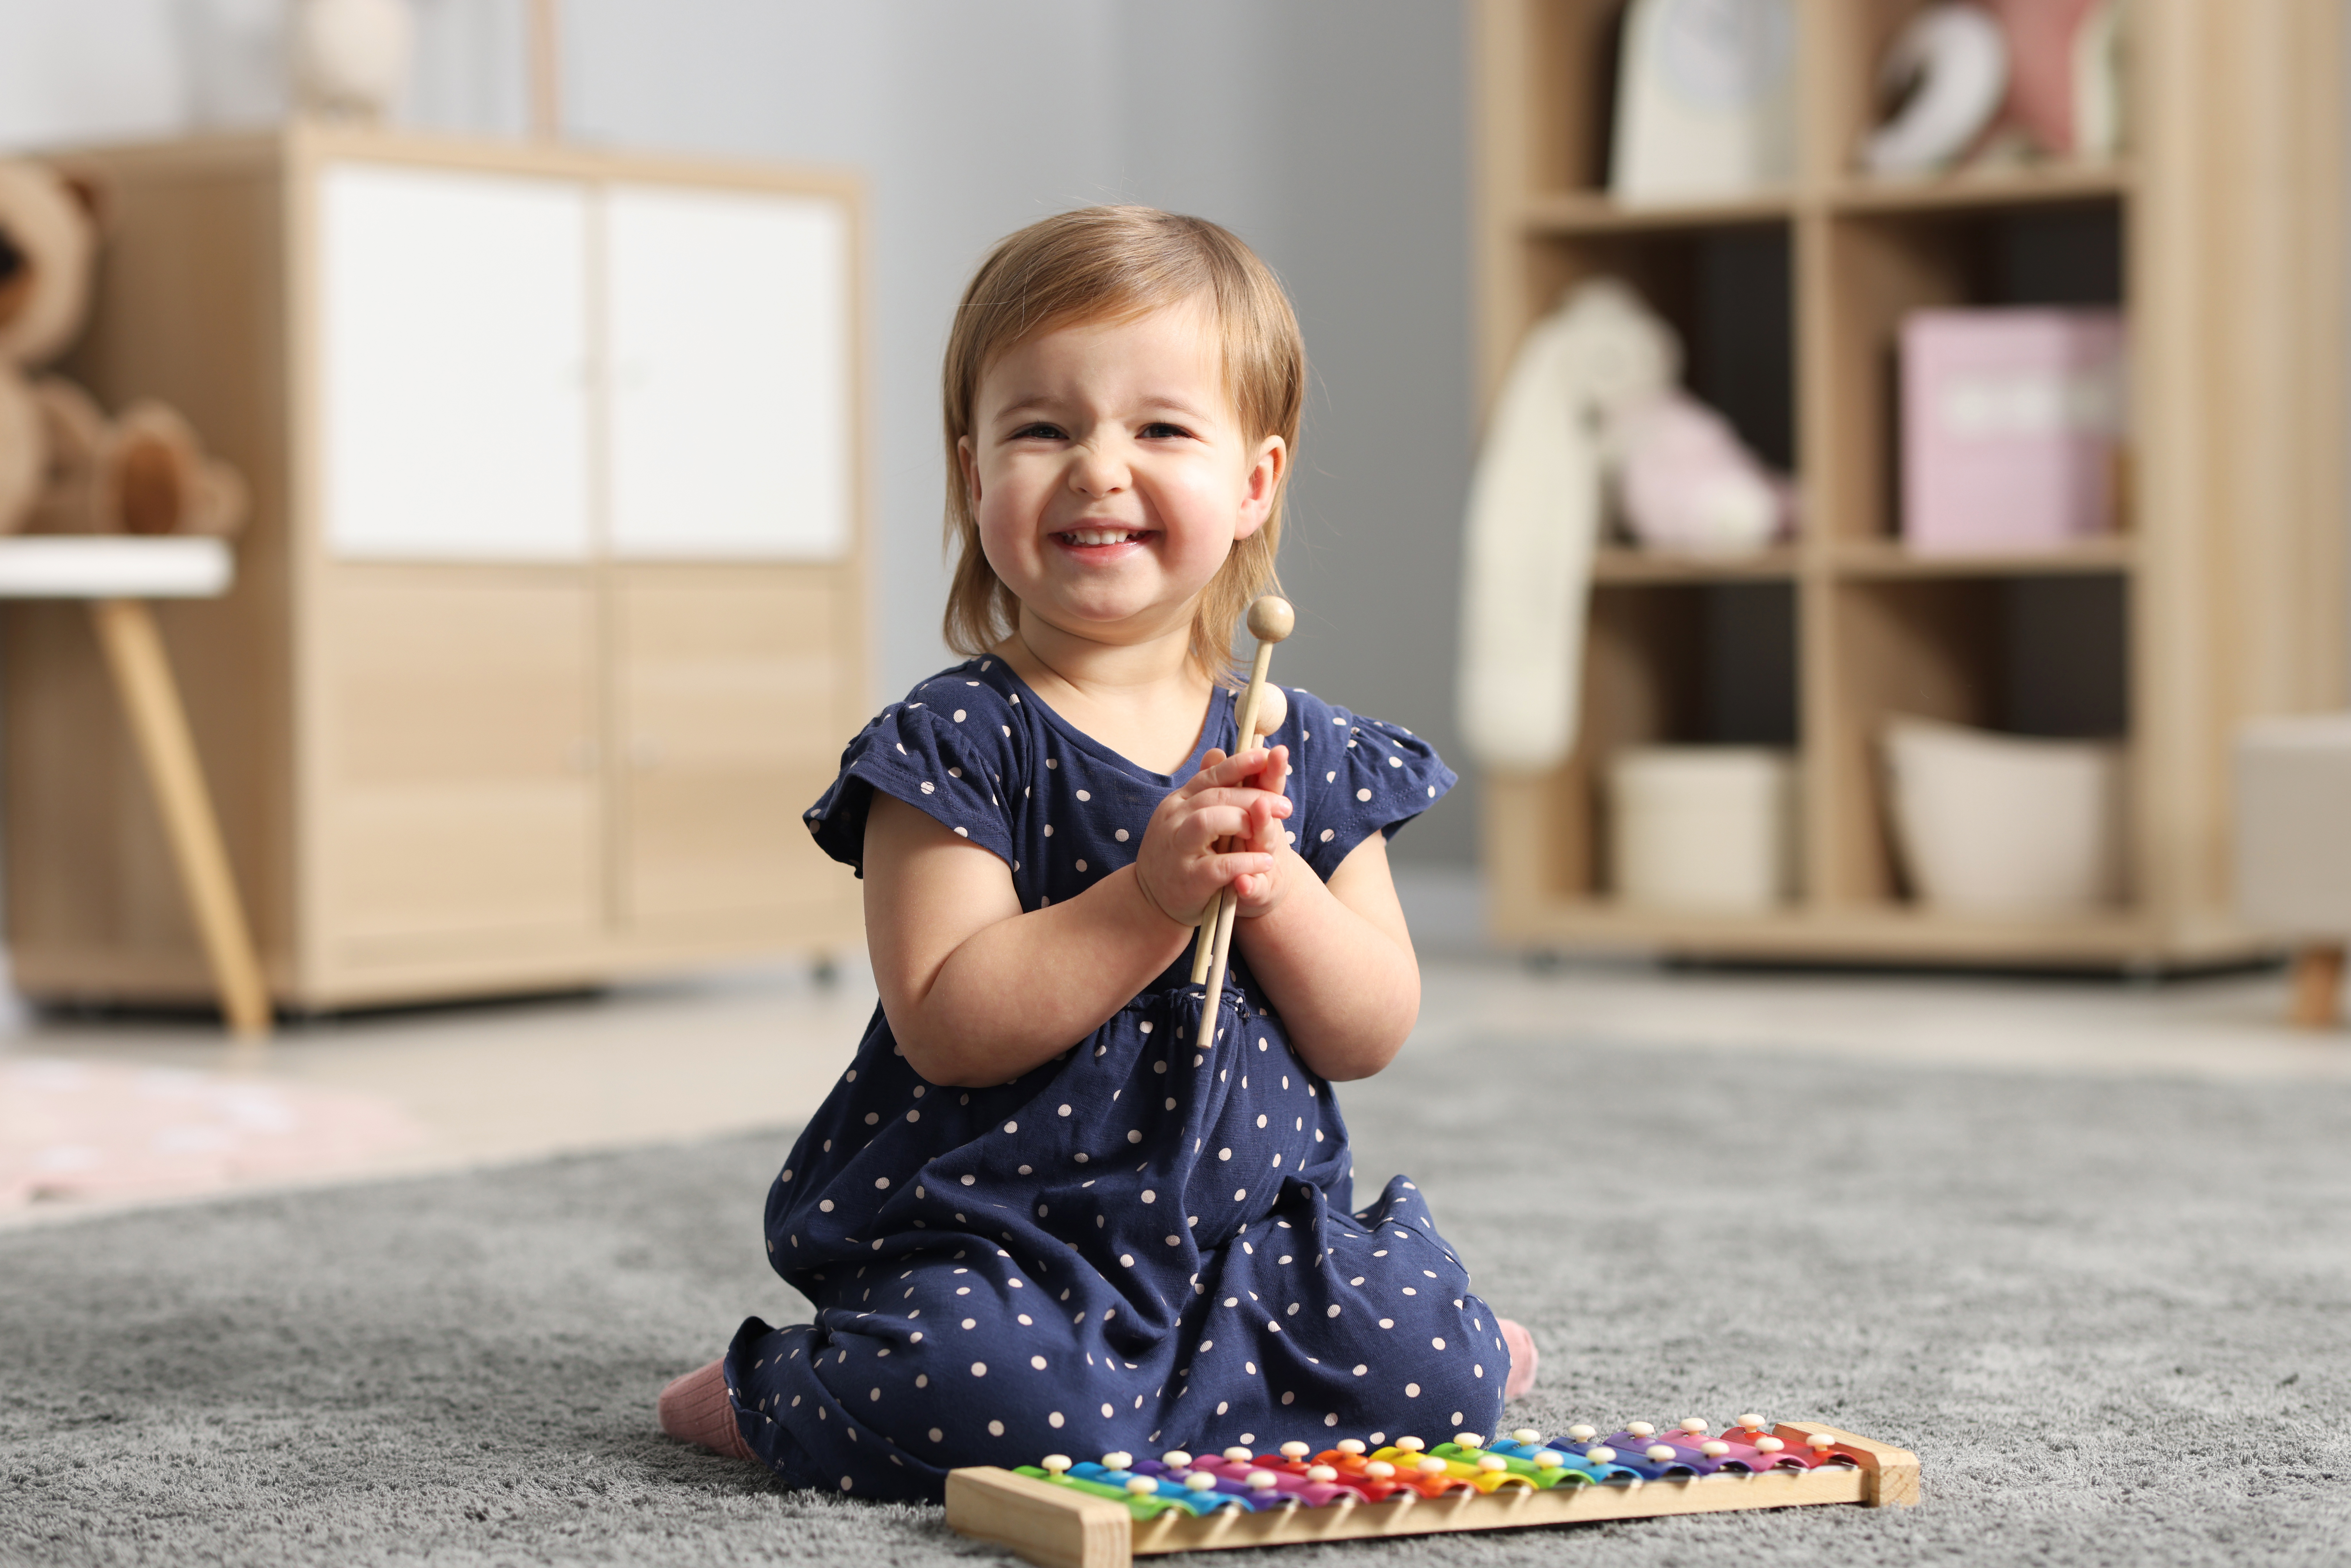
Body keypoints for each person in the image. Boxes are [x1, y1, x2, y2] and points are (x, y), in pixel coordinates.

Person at [656, 205, 1535, 1501]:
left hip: (1246, 1239)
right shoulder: (956, 742)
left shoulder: (1309, 748)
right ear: (973, 476)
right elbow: (951, 1021)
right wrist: (1149, 897)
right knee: (1001, 1402)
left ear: (1253, 484)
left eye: (1161, 429)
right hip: (1000, 1236)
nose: (1098, 469)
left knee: (1428, 1373)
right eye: (1042, 429)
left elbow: (1367, 1027)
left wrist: (1272, 883)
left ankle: (1325, 1359)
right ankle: (775, 1387)